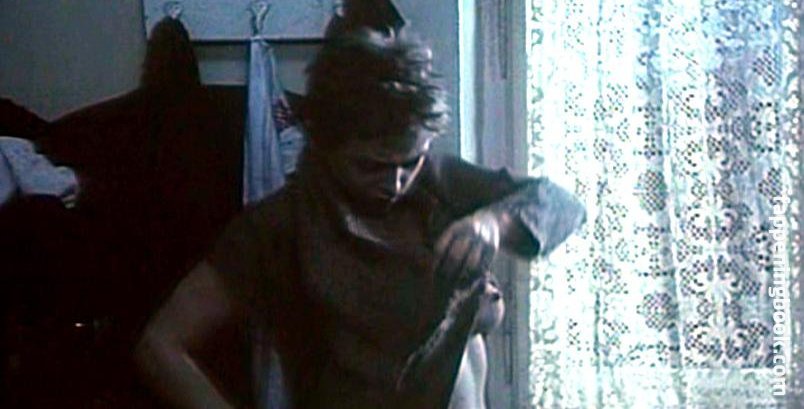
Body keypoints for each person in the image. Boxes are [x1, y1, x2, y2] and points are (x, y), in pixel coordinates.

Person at [135, 29, 586, 409]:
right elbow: (160, 346)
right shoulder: (279, 225)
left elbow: (562, 204)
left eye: (409, 162)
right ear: (326, 144)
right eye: (371, 166)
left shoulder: (437, 181)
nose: (396, 182)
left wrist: (494, 221)